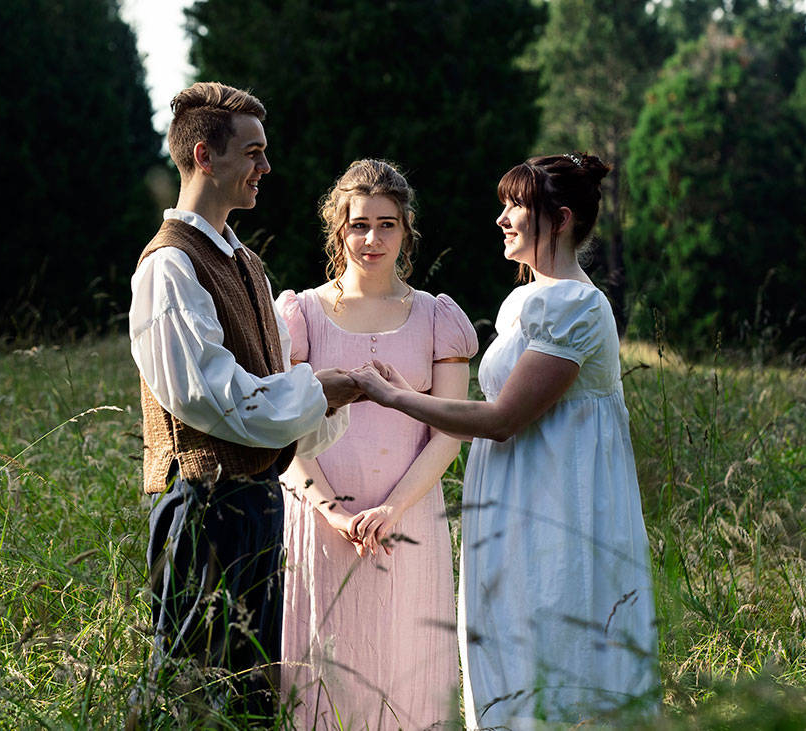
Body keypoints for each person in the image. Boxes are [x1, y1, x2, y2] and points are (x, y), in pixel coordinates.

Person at [350, 154, 659, 728]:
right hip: (513, 505)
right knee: (507, 652)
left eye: (516, 205)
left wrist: (392, 397)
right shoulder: (523, 301)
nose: (502, 218)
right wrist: (404, 392)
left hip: (558, 508)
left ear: (560, 219)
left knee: (555, 656)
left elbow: (501, 419)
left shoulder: (578, 307)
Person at [128, 81, 359, 718]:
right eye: (253, 152)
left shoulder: (247, 264)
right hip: (201, 502)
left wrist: (326, 396)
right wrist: (318, 390)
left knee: (251, 688)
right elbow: (210, 397)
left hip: (257, 501)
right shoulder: (169, 265)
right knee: (190, 686)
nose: (266, 167)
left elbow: (266, 388)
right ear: (205, 155)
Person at [276, 159, 477, 729]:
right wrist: (335, 512)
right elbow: (285, 435)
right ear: (338, 229)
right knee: (324, 676)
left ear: (406, 229)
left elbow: (450, 431)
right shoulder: (302, 314)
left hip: (407, 521)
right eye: (359, 224)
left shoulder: (437, 318)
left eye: (387, 224)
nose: (372, 238)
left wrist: (392, 509)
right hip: (319, 522)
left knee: (405, 673)